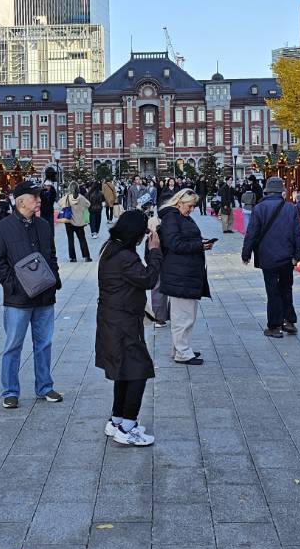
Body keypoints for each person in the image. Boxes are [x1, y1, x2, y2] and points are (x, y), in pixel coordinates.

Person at [0, 181, 64, 408]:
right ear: (21, 201)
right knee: (13, 345)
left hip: (45, 296)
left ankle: (45, 387)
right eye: (35, 196)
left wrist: (55, 279)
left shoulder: (43, 225)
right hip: (17, 300)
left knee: (44, 344)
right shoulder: (2, 228)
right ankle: (10, 391)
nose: (39, 200)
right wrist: (12, 285)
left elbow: (51, 255)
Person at [96, 209, 162, 446]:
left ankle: (116, 420)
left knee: (124, 371)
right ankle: (128, 426)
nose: (146, 236)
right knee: (138, 371)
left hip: (114, 319)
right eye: (143, 231)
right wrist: (154, 251)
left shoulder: (112, 247)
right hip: (122, 323)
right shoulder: (125, 257)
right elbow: (148, 279)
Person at [241, 176, 300, 337]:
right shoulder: (290, 208)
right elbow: (298, 234)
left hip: (267, 256)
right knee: (286, 288)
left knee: (272, 291)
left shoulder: (259, 208)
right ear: (282, 192)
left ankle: (275, 326)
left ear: (267, 192)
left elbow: (252, 233)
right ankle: (289, 321)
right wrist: (297, 255)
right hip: (286, 256)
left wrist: (246, 253)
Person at [158, 187, 210, 365]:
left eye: (194, 206)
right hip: (179, 273)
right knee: (184, 316)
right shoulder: (172, 217)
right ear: (179, 202)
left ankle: (180, 348)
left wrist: (200, 243)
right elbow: (175, 244)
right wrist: (199, 246)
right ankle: (182, 352)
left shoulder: (178, 216)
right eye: (190, 205)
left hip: (184, 272)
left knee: (185, 315)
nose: (192, 209)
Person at [63, 185, 92, 262]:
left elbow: (62, 206)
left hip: (69, 222)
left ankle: (73, 258)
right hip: (79, 222)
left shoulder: (67, 197)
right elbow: (88, 204)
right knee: (82, 239)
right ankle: (86, 256)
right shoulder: (81, 197)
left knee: (70, 240)